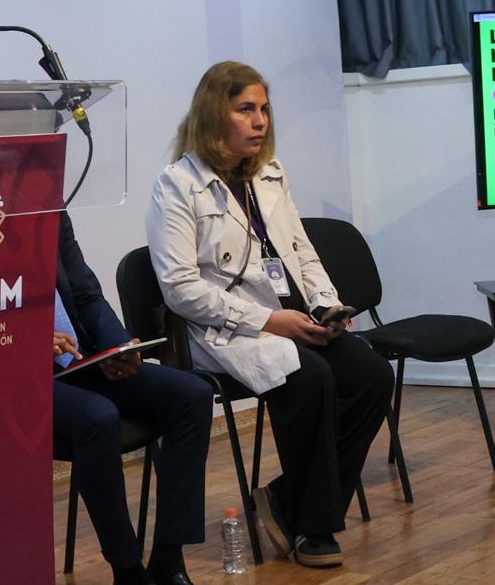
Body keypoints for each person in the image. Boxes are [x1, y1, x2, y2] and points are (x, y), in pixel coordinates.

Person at [144, 61, 394, 569]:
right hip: (225, 331)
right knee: (311, 377)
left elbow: (301, 251)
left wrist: (326, 304)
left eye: (264, 109)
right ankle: (313, 527)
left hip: (290, 318)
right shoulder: (177, 185)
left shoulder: (270, 174)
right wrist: (268, 322)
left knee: (371, 375)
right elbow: (180, 290)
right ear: (214, 114)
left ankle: (285, 498)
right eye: (245, 109)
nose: (260, 121)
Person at [53, 211, 213, 585]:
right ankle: (127, 570)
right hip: (13, 373)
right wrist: (30, 339)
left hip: (75, 358)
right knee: (98, 417)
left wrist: (119, 346)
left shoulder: (48, 208)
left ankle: (168, 561)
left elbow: (86, 292)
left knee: (192, 395)